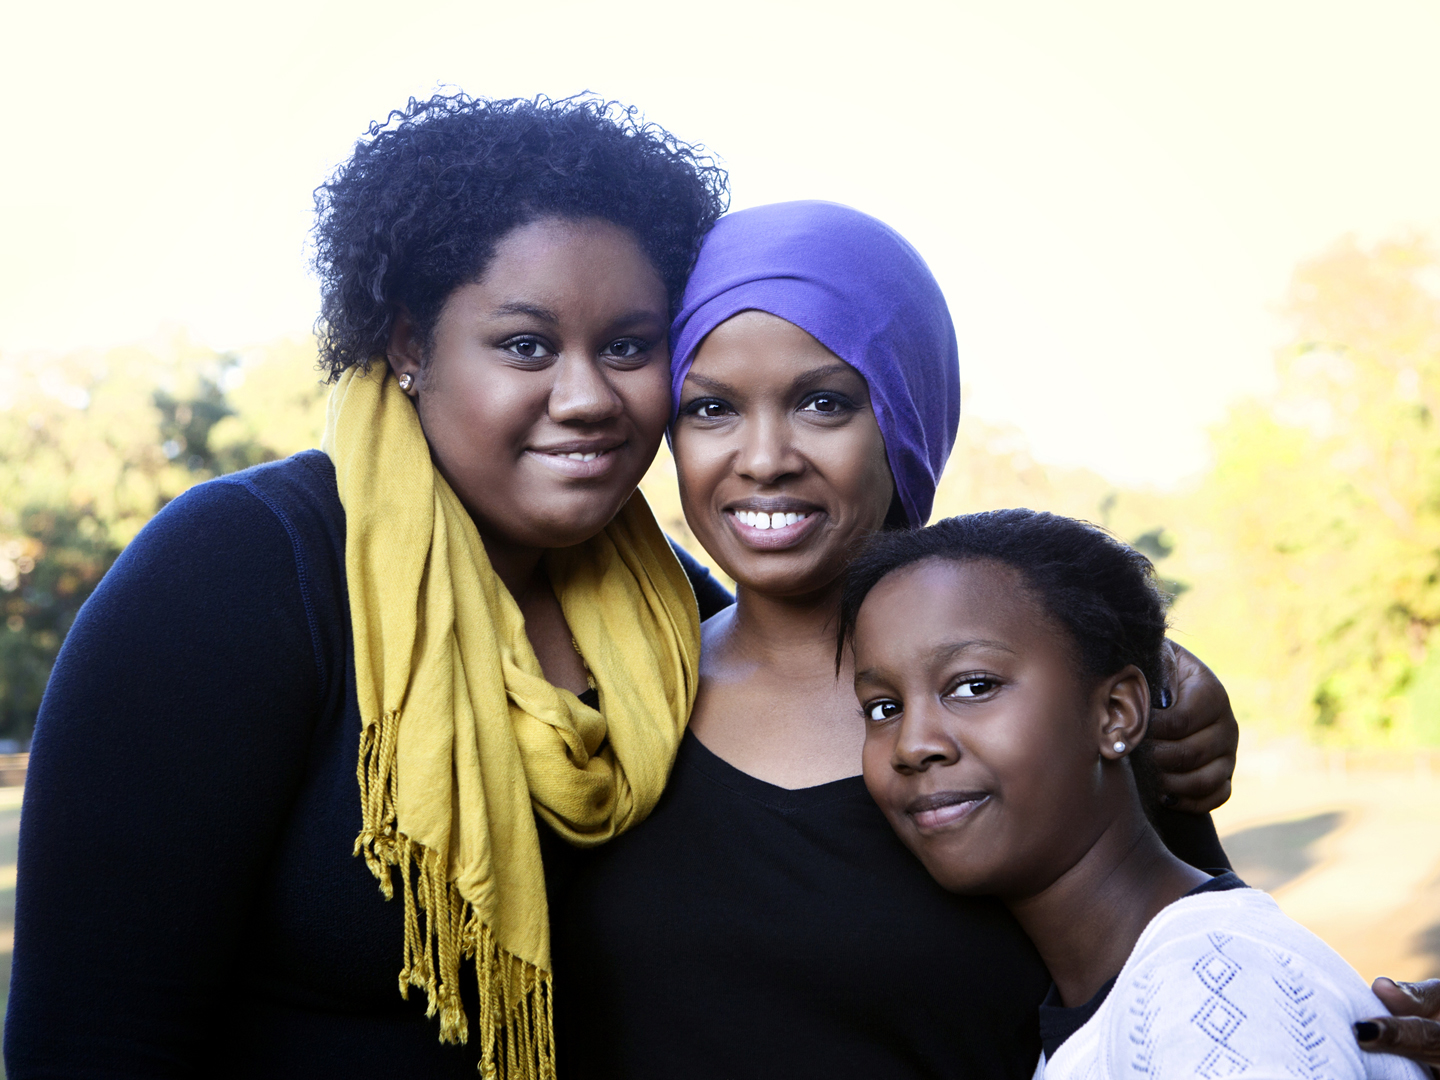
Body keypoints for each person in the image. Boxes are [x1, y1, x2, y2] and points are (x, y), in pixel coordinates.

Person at [4, 94, 732, 1079]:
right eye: (524, 344)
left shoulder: (689, 617)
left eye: (628, 346)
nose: (586, 397)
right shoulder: (239, 571)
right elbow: (92, 1040)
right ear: (406, 345)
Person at [552, 201, 1241, 1079]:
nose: (763, 457)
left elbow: (1221, 991)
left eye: (824, 403)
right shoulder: (608, 692)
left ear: (907, 417)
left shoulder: (1052, 708)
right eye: (713, 407)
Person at [842, 508, 1428, 1079]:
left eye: (973, 685)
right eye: (884, 708)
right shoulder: (1128, 998)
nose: (912, 744)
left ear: (1116, 713)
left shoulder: (1212, 984)